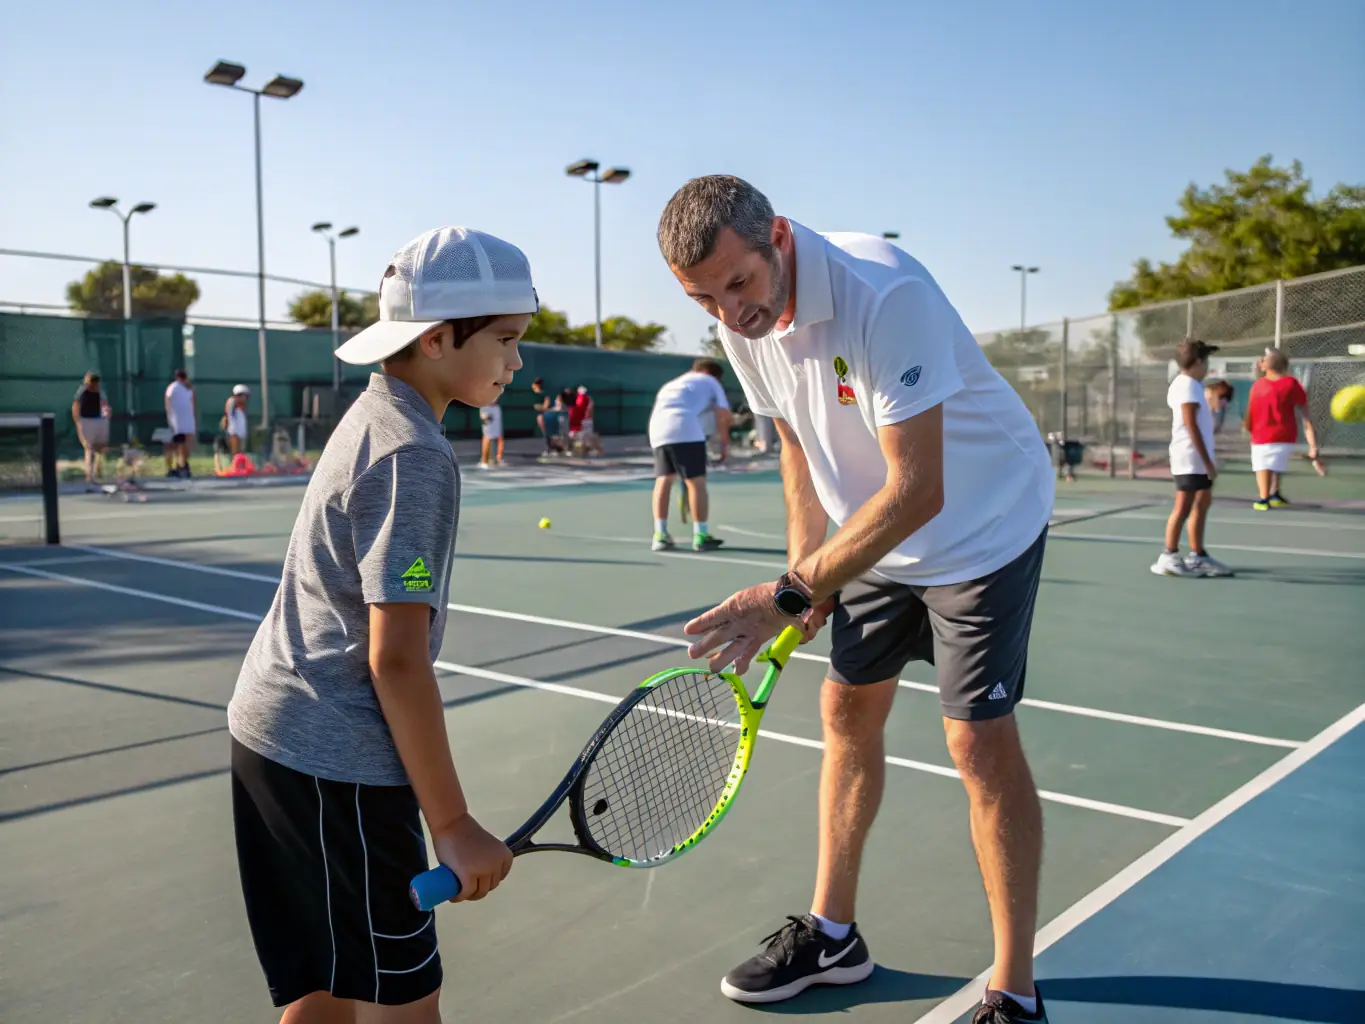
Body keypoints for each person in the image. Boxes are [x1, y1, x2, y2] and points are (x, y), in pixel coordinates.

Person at [658, 175, 1055, 1023]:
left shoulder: (886, 292)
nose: (730, 313)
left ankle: (1014, 991)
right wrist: (808, 571)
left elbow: (918, 489)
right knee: (845, 713)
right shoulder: (742, 324)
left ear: (781, 240)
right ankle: (833, 935)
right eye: (703, 298)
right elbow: (797, 445)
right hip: (870, 528)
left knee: (976, 743)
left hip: (981, 525)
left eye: (739, 284)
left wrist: (789, 589)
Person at [227, 226, 536, 1023]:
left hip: (276, 734)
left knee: (324, 988)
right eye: (505, 340)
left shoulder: (374, 415)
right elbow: (395, 661)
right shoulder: (414, 455)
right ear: (436, 340)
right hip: (337, 765)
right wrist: (455, 824)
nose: (516, 360)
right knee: (405, 1003)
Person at [1151, 339, 1233, 578]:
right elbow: (1190, 426)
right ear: (1198, 362)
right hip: (1189, 457)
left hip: (1195, 457)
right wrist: (1207, 462)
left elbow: (1201, 425)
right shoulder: (1186, 386)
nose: (1207, 365)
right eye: (1205, 360)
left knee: (1202, 502)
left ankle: (1198, 556)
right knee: (1183, 506)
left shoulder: (1193, 386)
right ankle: (1168, 555)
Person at [647, 358, 732, 552]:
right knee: (696, 482)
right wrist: (725, 442)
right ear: (715, 375)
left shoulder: (675, 384)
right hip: (684, 427)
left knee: (664, 479)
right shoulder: (711, 382)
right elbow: (723, 414)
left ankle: (659, 535)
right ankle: (700, 535)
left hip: (657, 428)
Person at [1244, 348, 1323, 510]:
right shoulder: (1292, 384)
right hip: (1286, 436)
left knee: (1262, 466)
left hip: (1262, 435)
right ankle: (1275, 493)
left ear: (1265, 366)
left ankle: (1263, 498)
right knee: (1276, 462)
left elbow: (1250, 413)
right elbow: (1305, 415)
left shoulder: (1258, 386)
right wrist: (1313, 445)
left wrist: (1247, 427)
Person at [72, 371, 111, 487]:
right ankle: (89, 475)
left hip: (98, 421)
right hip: (86, 421)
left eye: (96, 384)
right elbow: (75, 406)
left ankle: (97, 469)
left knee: (101, 448)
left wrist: (106, 411)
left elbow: (104, 404)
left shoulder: (100, 392)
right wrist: (77, 421)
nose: (95, 386)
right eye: (92, 384)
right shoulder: (82, 392)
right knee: (89, 449)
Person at [164, 369, 197, 478]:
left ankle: (180, 466)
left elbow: (168, 401)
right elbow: (168, 401)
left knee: (180, 445)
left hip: (181, 422)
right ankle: (178, 466)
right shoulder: (177, 388)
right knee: (178, 445)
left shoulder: (184, 389)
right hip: (180, 422)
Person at [224, 385, 251, 456]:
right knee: (236, 453)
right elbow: (227, 416)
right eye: (245, 396)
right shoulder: (232, 401)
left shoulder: (242, 408)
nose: (246, 399)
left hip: (241, 434)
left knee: (241, 453)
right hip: (234, 432)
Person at [479, 400, 504, 468]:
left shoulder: (497, 408)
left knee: (500, 441)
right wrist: (487, 419)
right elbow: (484, 419)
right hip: (488, 430)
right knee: (486, 442)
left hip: (497, 430)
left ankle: (497, 459)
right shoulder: (484, 408)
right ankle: (484, 461)